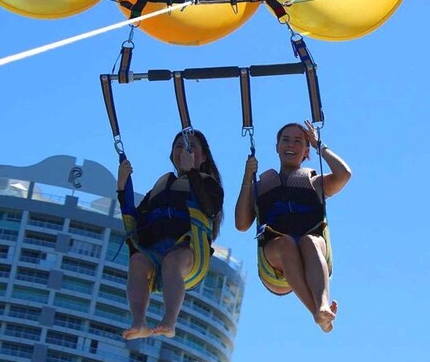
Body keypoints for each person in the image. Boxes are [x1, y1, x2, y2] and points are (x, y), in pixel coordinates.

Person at [235, 120, 351, 332]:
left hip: (313, 254)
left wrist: (320, 145)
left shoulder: (314, 182)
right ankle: (317, 311)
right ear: (277, 147)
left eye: (298, 141)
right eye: (286, 140)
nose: (291, 145)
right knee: (287, 243)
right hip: (275, 264)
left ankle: (322, 305)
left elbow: (344, 175)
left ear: (306, 151)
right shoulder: (261, 186)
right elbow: (242, 224)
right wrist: (247, 177)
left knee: (309, 240)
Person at [117, 130, 223, 339]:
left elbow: (210, 208)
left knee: (173, 261)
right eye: (179, 146)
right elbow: (135, 219)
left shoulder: (207, 183)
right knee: (137, 261)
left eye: (191, 147)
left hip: (190, 251)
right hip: (155, 252)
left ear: (202, 157)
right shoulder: (161, 187)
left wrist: (192, 171)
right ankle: (140, 322)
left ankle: (169, 321)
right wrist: (122, 187)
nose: (184, 150)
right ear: (171, 155)